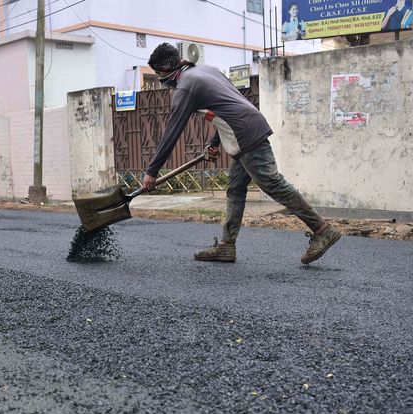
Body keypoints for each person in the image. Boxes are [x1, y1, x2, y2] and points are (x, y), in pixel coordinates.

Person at [143, 43, 341, 265]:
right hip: (244, 128)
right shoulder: (206, 70)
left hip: (244, 134)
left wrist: (152, 171)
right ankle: (227, 246)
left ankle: (322, 229)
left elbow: (173, 130)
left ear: (166, 69)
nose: (161, 80)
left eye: (159, 74)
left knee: (272, 183)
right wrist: (215, 142)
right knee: (235, 189)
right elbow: (227, 106)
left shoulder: (185, 86)